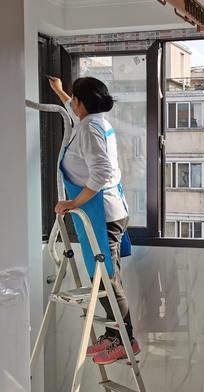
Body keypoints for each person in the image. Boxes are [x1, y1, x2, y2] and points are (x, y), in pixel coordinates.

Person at [49, 76, 139, 365]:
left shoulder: (89, 128)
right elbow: (75, 113)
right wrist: (61, 92)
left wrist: (72, 203)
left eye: (74, 100)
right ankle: (114, 336)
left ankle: (125, 340)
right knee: (104, 277)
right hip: (104, 211)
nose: (72, 104)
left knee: (106, 279)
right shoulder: (93, 121)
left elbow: (101, 172)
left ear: (81, 103)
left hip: (103, 213)